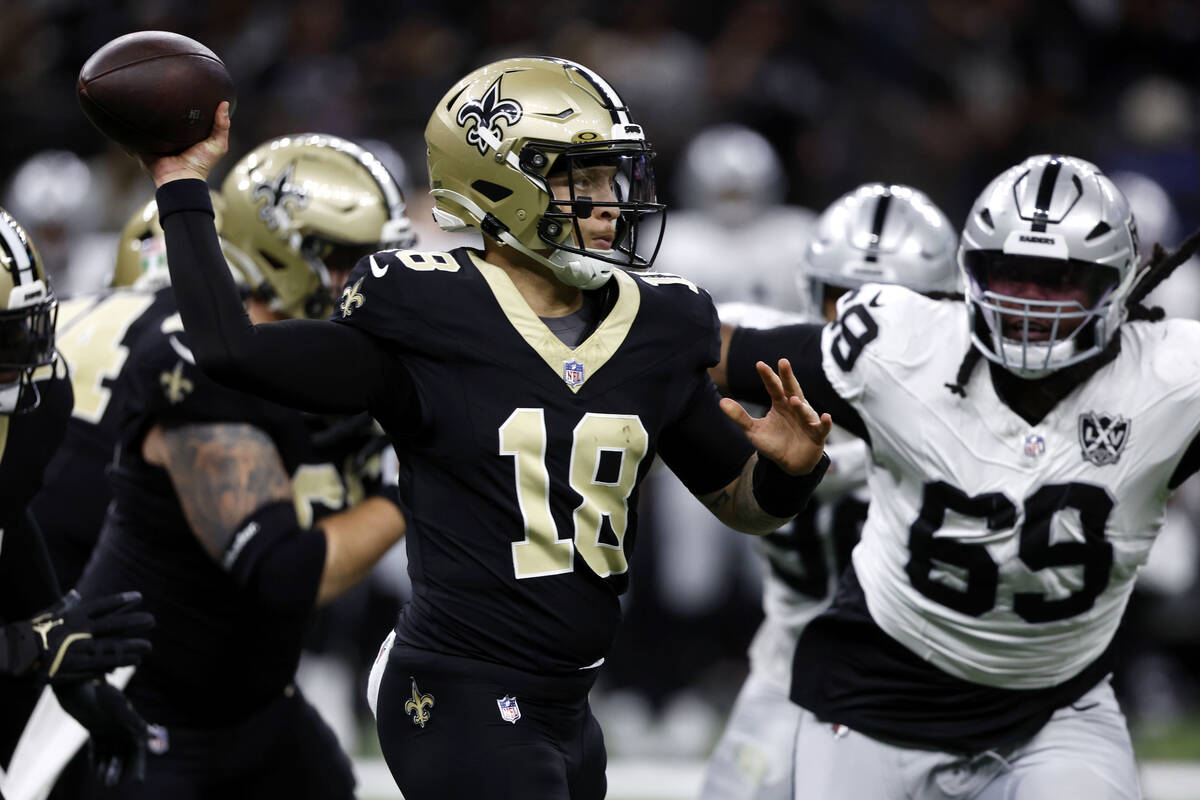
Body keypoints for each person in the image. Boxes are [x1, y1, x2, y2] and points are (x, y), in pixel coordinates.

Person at [130, 56, 831, 799]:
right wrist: (180, 182)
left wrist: (789, 470)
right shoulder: (430, 312)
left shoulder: (655, 326)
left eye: (611, 178)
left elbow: (743, 506)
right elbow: (228, 349)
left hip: (569, 704)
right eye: (581, 179)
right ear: (502, 182)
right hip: (457, 690)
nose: (608, 203)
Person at [717, 154, 1200, 798]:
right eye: (1012, 273)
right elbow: (697, 346)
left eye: (1060, 280)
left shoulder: (1171, 379)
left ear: (1115, 283)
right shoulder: (895, 347)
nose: (1031, 301)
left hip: (1054, 707)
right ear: (969, 277)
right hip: (873, 693)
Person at [61, 133, 413, 799]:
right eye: (351, 259)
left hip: (254, 704)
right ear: (286, 255)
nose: (374, 278)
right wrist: (414, 488)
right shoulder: (198, 359)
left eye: (387, 255)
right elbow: (285, 571)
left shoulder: (329, 356)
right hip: (142, 710)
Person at [700, 182, 960, 800]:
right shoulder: (763, 362)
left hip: (928, 673)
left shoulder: (964, 393)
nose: (860, 328)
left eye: (893, 306)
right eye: (843, 300)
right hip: (789, 657)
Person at [0, 204, 156, 789]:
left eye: (24, 331)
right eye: (3, 339)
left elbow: (6, 513)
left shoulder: (38, 399)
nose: (22, 361)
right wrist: (19, 647)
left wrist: (51, 633)